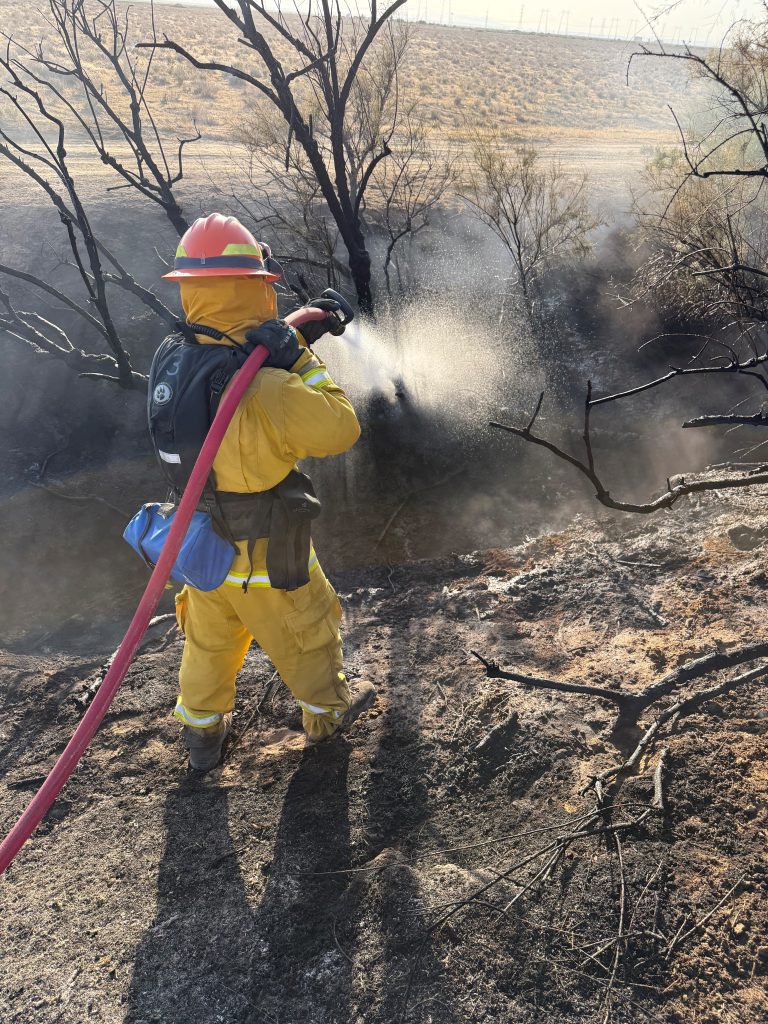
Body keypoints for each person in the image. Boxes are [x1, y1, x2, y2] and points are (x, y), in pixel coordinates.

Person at [156, 213, 375, 770]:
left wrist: (284, 341)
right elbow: (339, 427)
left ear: (189, 290)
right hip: (265, 555)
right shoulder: (269, 384)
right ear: (257, 288)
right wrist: (299, 357)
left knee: (208, 643)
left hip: (200, 547)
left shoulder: (174, 363)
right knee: (308, 634)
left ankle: (202, 737)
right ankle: (326, 719)